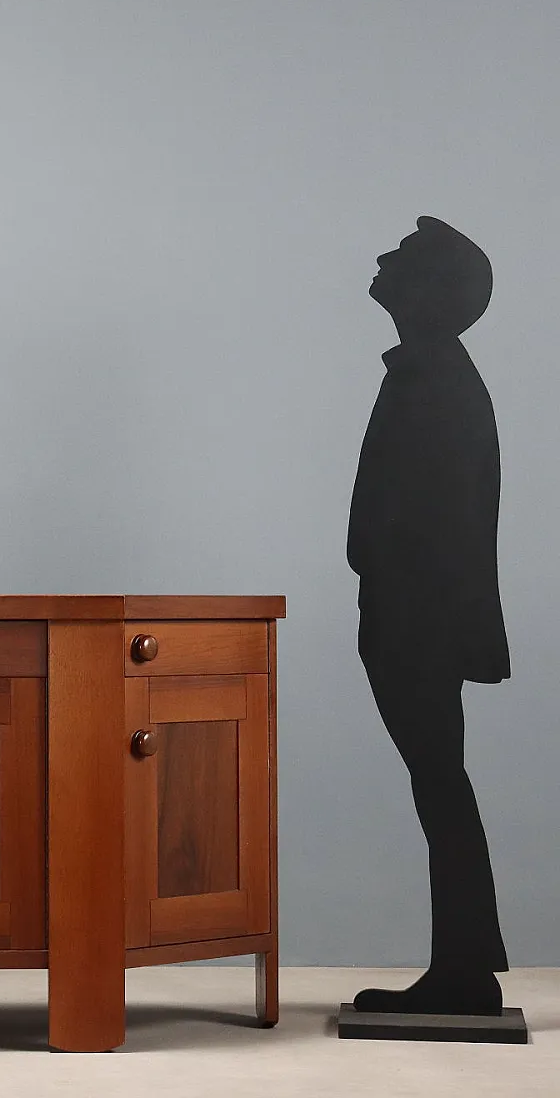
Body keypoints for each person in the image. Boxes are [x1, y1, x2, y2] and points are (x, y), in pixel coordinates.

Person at [347, 215, 509, 1016]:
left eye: (404, 256)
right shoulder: (432, 374)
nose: (383, 258)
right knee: (440, 782)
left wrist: (404, 606)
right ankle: (466, 963)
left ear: (434, 291)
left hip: (419, 618)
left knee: (440, 782)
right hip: (413, 613)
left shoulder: (437, 380)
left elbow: (444, 520)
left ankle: (465, 970)